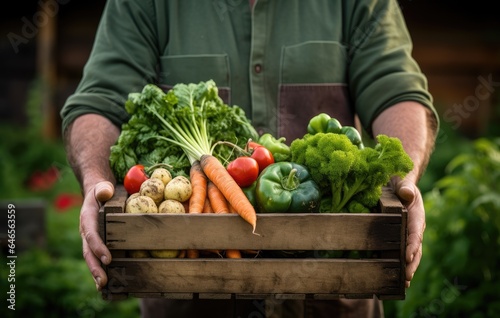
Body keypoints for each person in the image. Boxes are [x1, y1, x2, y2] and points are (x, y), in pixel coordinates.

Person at [61, 0, 439, 317]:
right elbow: (99, 102)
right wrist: (96, 180)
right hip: (188, 298)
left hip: (331, 300)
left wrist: (401, 178)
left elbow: (396, 89)